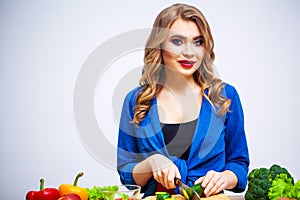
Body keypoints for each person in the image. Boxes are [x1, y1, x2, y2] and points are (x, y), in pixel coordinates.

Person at [117, 3, 249, 197]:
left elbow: (239, 163)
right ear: (159, 45)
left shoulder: (225, 96)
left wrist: (225, 177)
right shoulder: (136, 101)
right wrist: (152, 162)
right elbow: (126, 172)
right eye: (177, 41)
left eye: (198, 42)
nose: (189, 52)